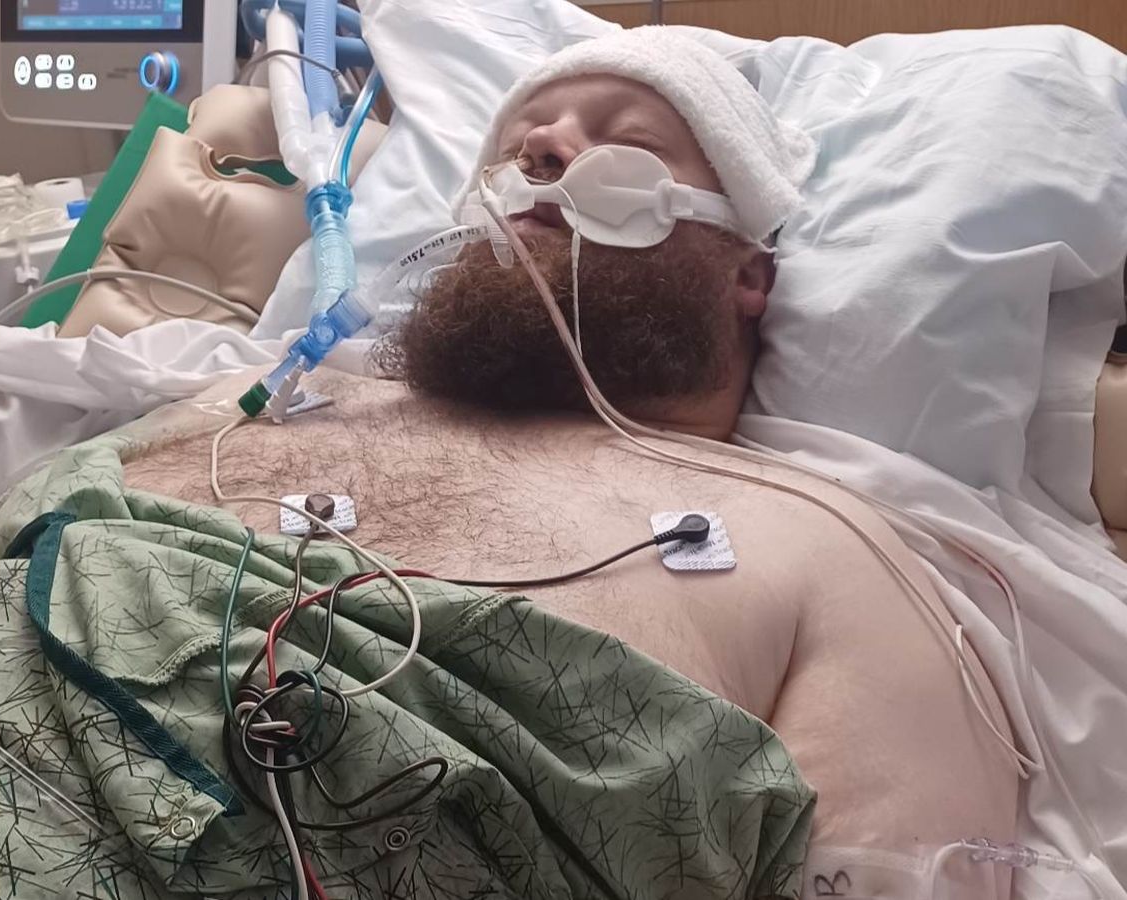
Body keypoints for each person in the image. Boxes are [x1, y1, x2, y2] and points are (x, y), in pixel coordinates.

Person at [121, 26, 1020, 900]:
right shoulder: (258, 400)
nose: (543, 147)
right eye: (520, 143)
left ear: (748, 274)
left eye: (630, 143)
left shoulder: (825, 550)